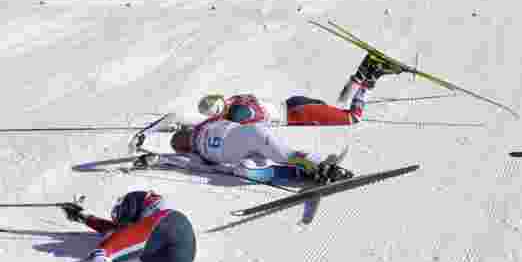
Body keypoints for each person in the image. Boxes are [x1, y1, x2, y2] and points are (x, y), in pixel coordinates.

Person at [142, 54, 403, 183]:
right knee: (341, 110)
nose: (186, 139)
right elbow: (182, 134)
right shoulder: (213, 122)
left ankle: (369, 76)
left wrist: (155, 144)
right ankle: (367, 73)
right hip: (293, 112)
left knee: (351, 117)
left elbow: (183, 124)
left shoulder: (222, 117)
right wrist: (153, 148)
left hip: (298, 114)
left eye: (182, 139)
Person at [57, 190, 196, 262]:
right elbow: (117, 232)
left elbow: (118, 238)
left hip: (163, 252)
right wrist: (83, 216)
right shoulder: (166, 217)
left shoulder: (156, 220)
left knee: (103, 252)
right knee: (113, 242)